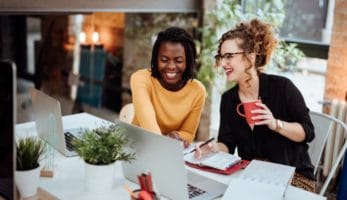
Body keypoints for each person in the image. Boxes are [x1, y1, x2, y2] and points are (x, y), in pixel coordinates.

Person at [195, 19, 316, 192]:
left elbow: (307, 133)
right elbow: (227, 145)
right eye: (221, 57)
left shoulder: (282, 88)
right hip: (254, 177)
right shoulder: (229, 100)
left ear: (250, 57)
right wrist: (213, 148)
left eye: (229, 56)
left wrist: (276, 124)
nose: (222, 63)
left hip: (295, 178)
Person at [130, 27, 206, 144]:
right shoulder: (141, 78)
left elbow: (188, 133)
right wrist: (167, 139)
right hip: (137, 145)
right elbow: (148, 124)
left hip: (169, 150)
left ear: (188, 61)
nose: (171, 66)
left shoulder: (197, 91)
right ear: (156, 59)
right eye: (164, 59)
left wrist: (176, 135)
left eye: (179, 61)